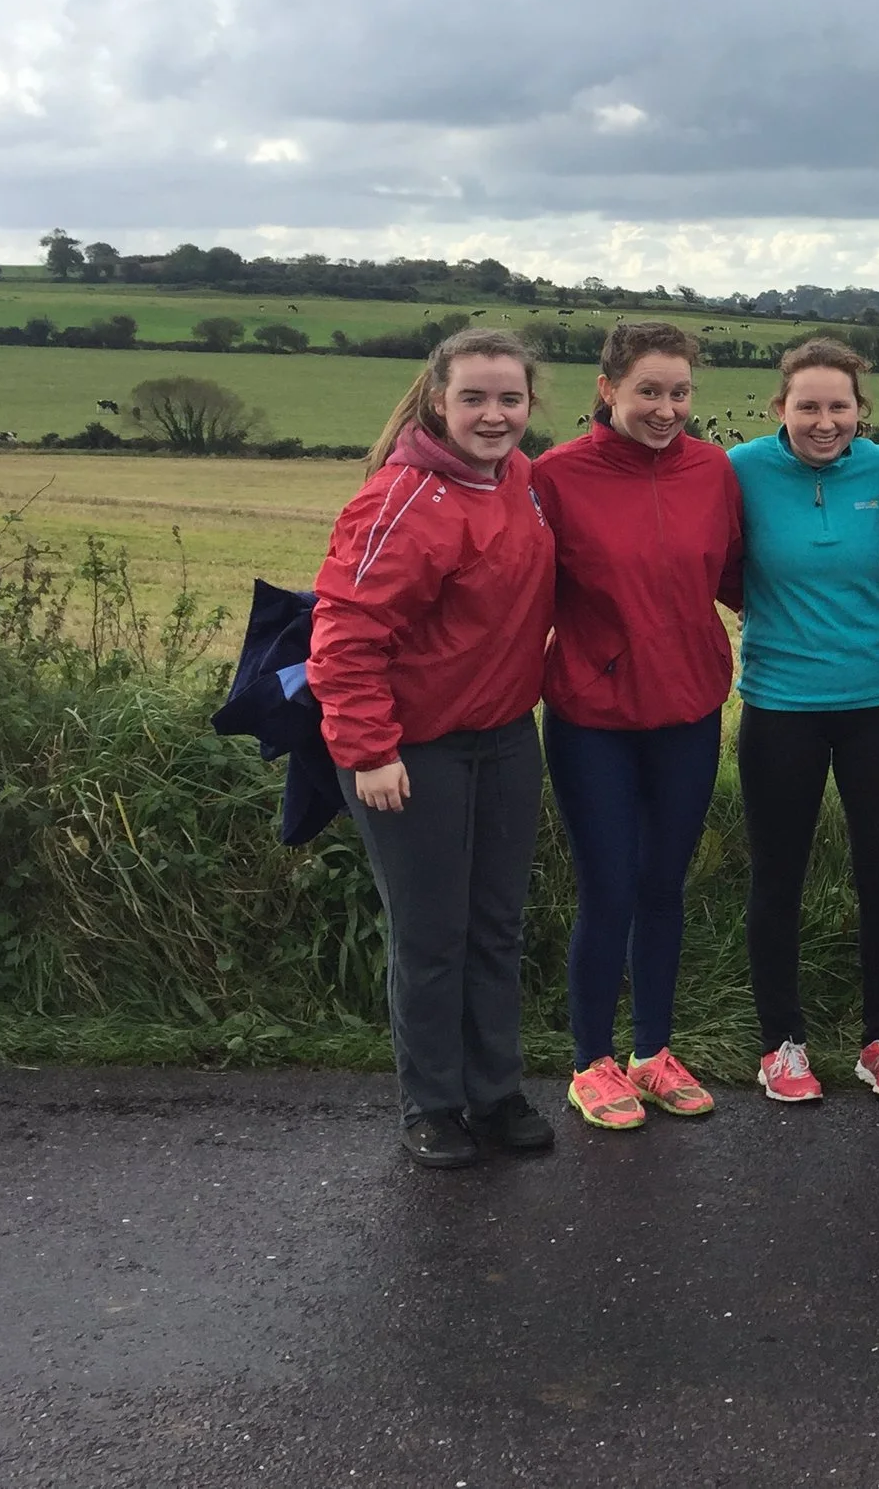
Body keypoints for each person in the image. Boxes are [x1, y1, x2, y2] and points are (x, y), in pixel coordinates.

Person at [309, 329, 556, 1170]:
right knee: (431, 933)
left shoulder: (521, 480)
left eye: (510, 398)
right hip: (411, 750)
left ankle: (495, 1094)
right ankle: (432, 1103)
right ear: (438, 401)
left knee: (495, 926)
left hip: (506, 739)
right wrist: (371, 749)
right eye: (475, 398)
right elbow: (343, 635)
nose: (494, 415)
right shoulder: (400, 498)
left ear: (531, 404)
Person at [531, 322, 743, 1131]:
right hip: (594, 718)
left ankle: (653, 1050)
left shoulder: (713, 470)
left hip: (688, 711)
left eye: (680, 392)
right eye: (648, 391)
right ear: (607, 387)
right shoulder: (555, 477)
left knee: (663, 885)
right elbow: (524, 595)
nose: (666, 408)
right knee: (610, 885)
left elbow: (734, 576)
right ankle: (592, 1060)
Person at [731, 337, 879, 1103]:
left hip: (878, 701)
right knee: (778, 877)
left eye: (838, 405)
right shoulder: (740, 469)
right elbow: (712, 558)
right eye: (807, 405)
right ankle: (781, 1044)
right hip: (780, 704)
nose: (823, 420)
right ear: (781, 407)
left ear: (859, 410)